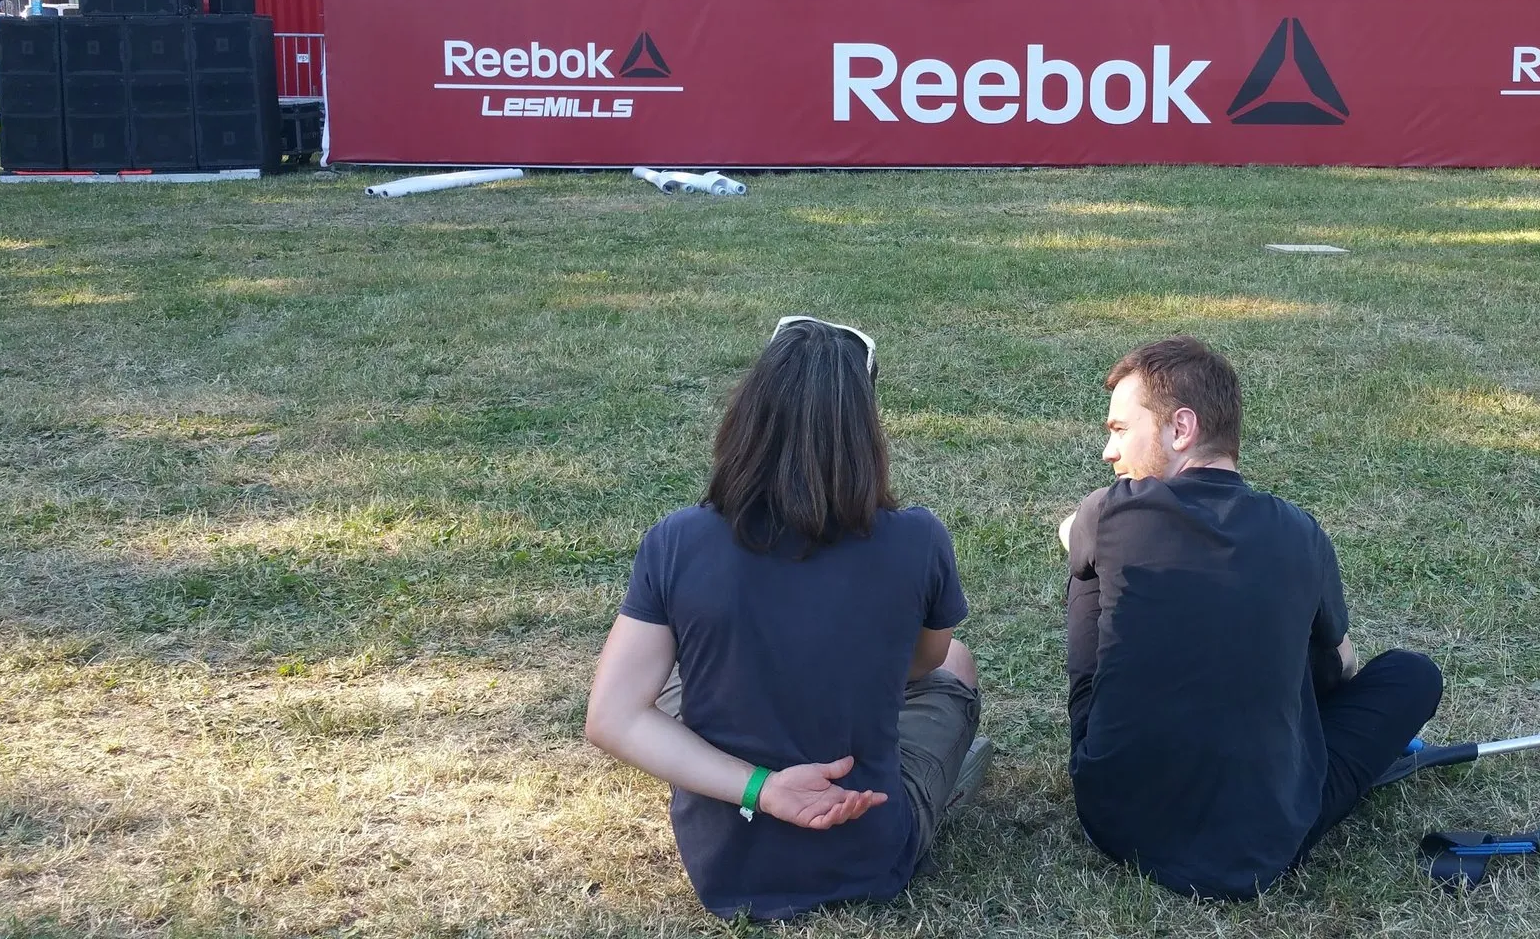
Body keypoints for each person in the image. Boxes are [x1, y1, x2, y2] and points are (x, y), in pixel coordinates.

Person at [585, 317, 990, 920]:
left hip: (725, 866)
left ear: (749, 414)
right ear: (864, 432)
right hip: (869, 848)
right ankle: (949, 786)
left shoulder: (677, 539)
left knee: (670, 677)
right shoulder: (919, 539)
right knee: (956, 663)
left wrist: (765, 789)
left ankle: (738, 776)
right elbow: (924, 662)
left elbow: (611, 717)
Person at [1061, 336, 1443, 899]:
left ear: (1180, 428)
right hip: (1266, 840)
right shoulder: (1300, 533)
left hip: (1116, 814)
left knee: (1088, 563)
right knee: (1412, 674)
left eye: (1119, 430)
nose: (1107, 453)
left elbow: (1072, 531)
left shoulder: (1108, 511)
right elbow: (1335, 668)